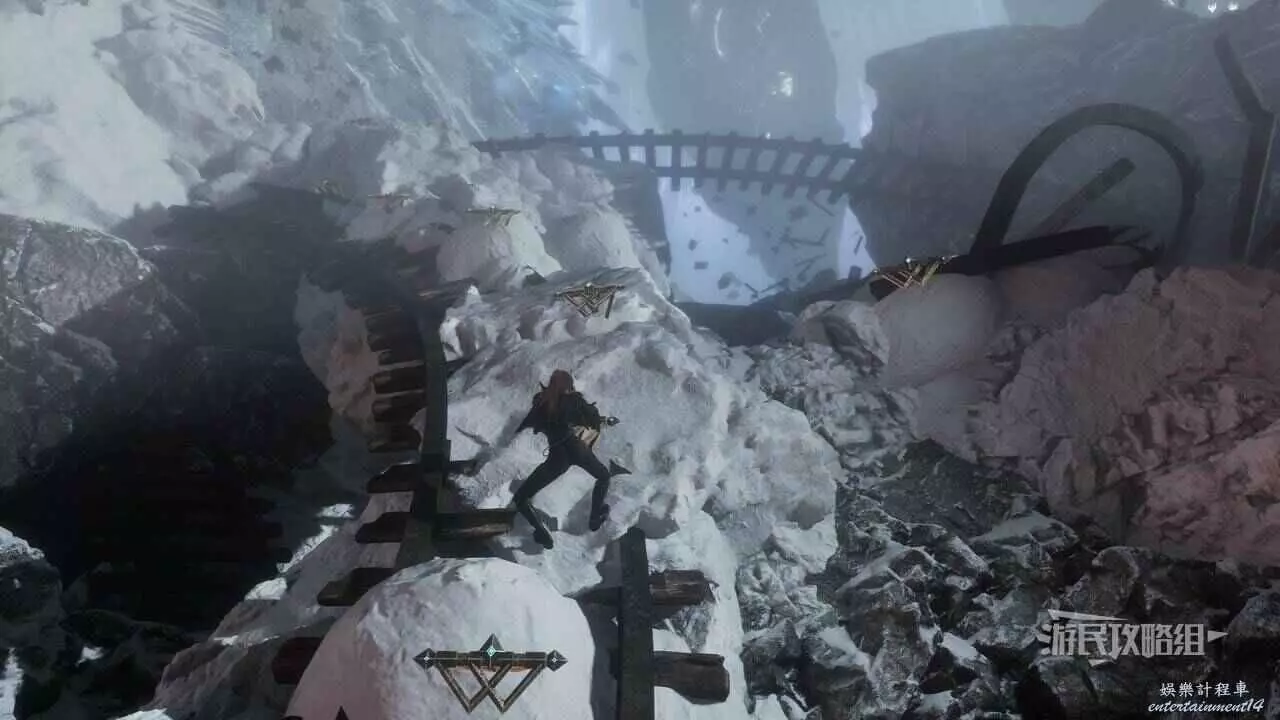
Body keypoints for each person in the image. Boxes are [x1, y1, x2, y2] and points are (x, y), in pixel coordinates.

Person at [512, 370, 630, 550]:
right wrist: (605, 420)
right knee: (604, 476)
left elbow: (529, 423)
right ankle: (594, 518)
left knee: (521, 498)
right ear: (568, 385)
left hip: (557, 458)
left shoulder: (541, 402)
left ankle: (542, 533)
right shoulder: (573, 400)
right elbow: (590, 418)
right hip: (577, 449)